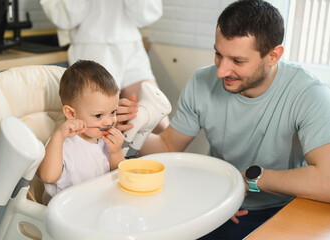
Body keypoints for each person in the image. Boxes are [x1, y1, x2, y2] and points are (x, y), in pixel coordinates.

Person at [137, 0, 330, 239]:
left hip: (283, 208)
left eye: (238, 61)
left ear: (273, 55)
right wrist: (132, 129)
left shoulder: (309, 94)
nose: (221, 71)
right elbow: (168, 146)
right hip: (217, 202)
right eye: (218, 54)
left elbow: (327, 181)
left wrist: (251, 179)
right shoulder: (201, 81)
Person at [40, 0, 168, 133]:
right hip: (92, 47)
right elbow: (63, 17)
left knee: (158, 123)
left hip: (131, 46)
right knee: (103, 130)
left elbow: (148, 14)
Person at [37, 60, 125, 205]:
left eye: (113, 112)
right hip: (65, 215)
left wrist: (116, 152)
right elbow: (48, 176)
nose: (109, 122)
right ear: (71, 113)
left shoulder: (105, 141)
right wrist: (59, 135)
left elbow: (120, 175)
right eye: (99, 115)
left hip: (98, 207)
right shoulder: (61, 144)